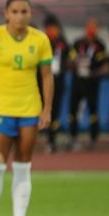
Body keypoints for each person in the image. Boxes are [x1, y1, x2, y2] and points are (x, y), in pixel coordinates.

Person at [0, 0, 53, 216]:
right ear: (6, 14)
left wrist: (47, 108)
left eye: (24, 12)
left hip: (29, 109)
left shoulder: (40, 39)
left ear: (31, 14)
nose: (20, 16)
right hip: (1, 109)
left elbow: (47, 76)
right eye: (15, 12)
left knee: (23, 164)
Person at [68, 18, 108, 151]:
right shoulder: (78, 43)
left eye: (94, 27)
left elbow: (105, 66)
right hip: (77, 82)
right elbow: (69, 60)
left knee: (93, 111)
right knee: (73, 109)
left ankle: (93, 138)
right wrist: (76, 64)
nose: (91, 30)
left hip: (92, 83)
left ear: (97, 29)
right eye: (89, 27)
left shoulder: (100, 45)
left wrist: (93, 73)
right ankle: (73, 137)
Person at [43, 15, 69, 153]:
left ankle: (52, 140)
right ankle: (44, 138)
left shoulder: (62, 43)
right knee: (42, 111)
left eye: (55, 28)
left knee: (55, 112)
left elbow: (68, 60)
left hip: (58, 82)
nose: (54, 31)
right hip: (42, 84)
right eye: (51, 28)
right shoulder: (42, 41)